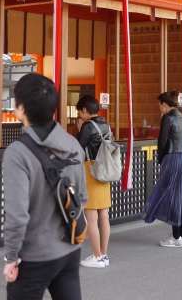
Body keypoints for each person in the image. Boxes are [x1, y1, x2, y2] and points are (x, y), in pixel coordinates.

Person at [2, 73, 88, 300]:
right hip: (69, 250)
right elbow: (82, 198)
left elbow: (17, 216)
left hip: (34, 257)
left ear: (20, 108)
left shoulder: (17, 153)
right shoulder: (72, 144)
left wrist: (11, 257)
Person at [143, 91, 182, 248]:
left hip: (172, 158)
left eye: (160, 105)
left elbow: (162, 142)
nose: (159, 108)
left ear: (165, 104)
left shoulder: (167, 118)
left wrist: (161, 159)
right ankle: (181, 235)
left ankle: (176, 237)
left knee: (171, 196)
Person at [74, 95, 112, 269]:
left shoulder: (88, 126)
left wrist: (79, 129)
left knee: (91, 215)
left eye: (79, 112)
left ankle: (97, 256)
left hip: (91, 171)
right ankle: (103, 254)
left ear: (84, 110)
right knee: (103, 214)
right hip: (105, 171)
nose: (79, 116)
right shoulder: (106, 124)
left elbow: (77, 148)